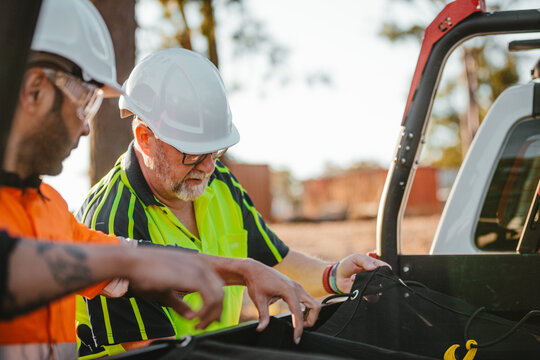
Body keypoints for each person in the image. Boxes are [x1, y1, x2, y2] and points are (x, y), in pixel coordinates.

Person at [0, 1, 319, 358]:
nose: (88, 126)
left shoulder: (50, 210)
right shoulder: (98, 212)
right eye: (85, 101)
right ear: (34, 91)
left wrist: (242, 270)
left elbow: (126, 255)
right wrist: (134, 265)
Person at [76, 48, 389, 356]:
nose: (209, 166)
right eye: (193, 152)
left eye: (216, 150)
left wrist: (333, 275)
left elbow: (273, 262)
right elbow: (153, 353)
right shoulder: (111, 218)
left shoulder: (218, 180)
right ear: (146, 138)